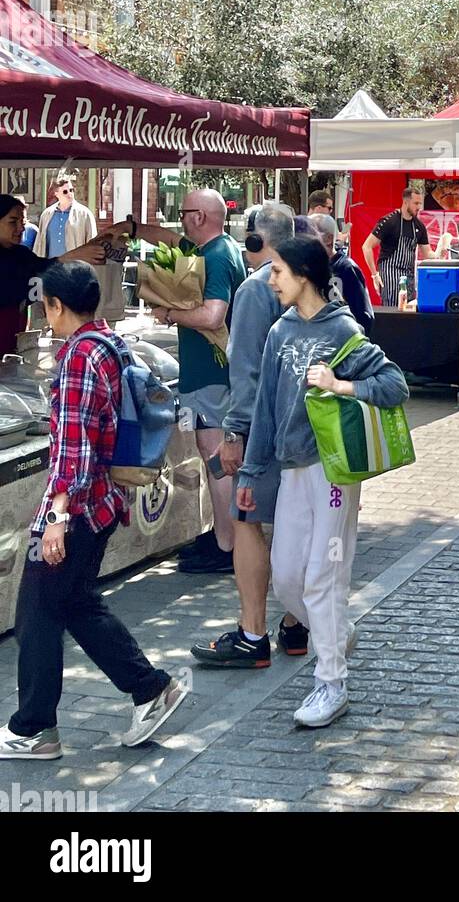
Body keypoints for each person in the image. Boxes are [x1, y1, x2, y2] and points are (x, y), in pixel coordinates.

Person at [0, 263, 187, 760]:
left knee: (36, 612)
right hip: (102, 500)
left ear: (56, 305)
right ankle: (149, 688)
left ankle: (35, 728)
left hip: (77, 505)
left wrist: (57, 514)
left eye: (47, 306)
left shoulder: (80, 354)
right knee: (75, 603)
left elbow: (75, 445)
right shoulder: (108, 341)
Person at [236, 236, 409, 728]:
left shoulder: (343, 329)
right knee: (288, 579)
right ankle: (335, 629)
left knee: (323, 576)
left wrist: (341, 385)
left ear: (304, 275)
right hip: (290, 471)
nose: (270, 281)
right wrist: (251, 470)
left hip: (333, 469)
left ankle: (330, 682)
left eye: (278, 272)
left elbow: (394, 384)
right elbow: (266, 407)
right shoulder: (279, 331)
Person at [190, 203, 306, 669]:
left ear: (256, 240)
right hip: (299, 428)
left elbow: (247, 368)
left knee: (249, 525)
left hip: (265, 431)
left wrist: (234, 432)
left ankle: (252, 632)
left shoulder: (258, 289)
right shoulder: (309, 280)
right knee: (294, 526)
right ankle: (295, 624)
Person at [117, 189, 246, 574]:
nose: (181, 218)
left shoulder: (219, 257)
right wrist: (134, 230)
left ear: (201, 217)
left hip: (212, 376)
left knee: (216, 458)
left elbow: (211, 316)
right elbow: (170, 240)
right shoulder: (210, 248)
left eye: (185, 211)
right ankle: (223, 535)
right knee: (214, 458)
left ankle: (227, 547)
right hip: (208, 374)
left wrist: (168, 313)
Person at [0, 194, 107, 357]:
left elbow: (42, 268)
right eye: (13, 222)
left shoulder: (20, 253)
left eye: (22, 222)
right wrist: (73, 255)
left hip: (13, 338)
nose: (21, 228)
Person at [34, 173, 125, 324]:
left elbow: (94, 243)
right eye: (65, 191)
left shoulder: (84, 214)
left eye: (71, 190)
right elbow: (40, 244)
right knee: (52, 312)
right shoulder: (47, 214)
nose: (69, 194)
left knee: (73, 313)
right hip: (52, 270)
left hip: (74, 272)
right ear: (56, 193)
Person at [362, 186, 434, 305]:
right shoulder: (388, 221)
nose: (419, 207)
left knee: (410, 310)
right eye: (416, 203)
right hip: (390, 273)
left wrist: (440, 252)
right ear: (405, 202)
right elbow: (366, 246)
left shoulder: (419, 226)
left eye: (420, 203)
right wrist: (374, 274)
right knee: (393, 308)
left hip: (409, 275)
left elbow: (428, 253)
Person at [317, 215, 374, 336]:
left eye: (310, 234)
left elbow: (364, 315)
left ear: (328, 239)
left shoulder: (347, 269)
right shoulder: (311, 268)